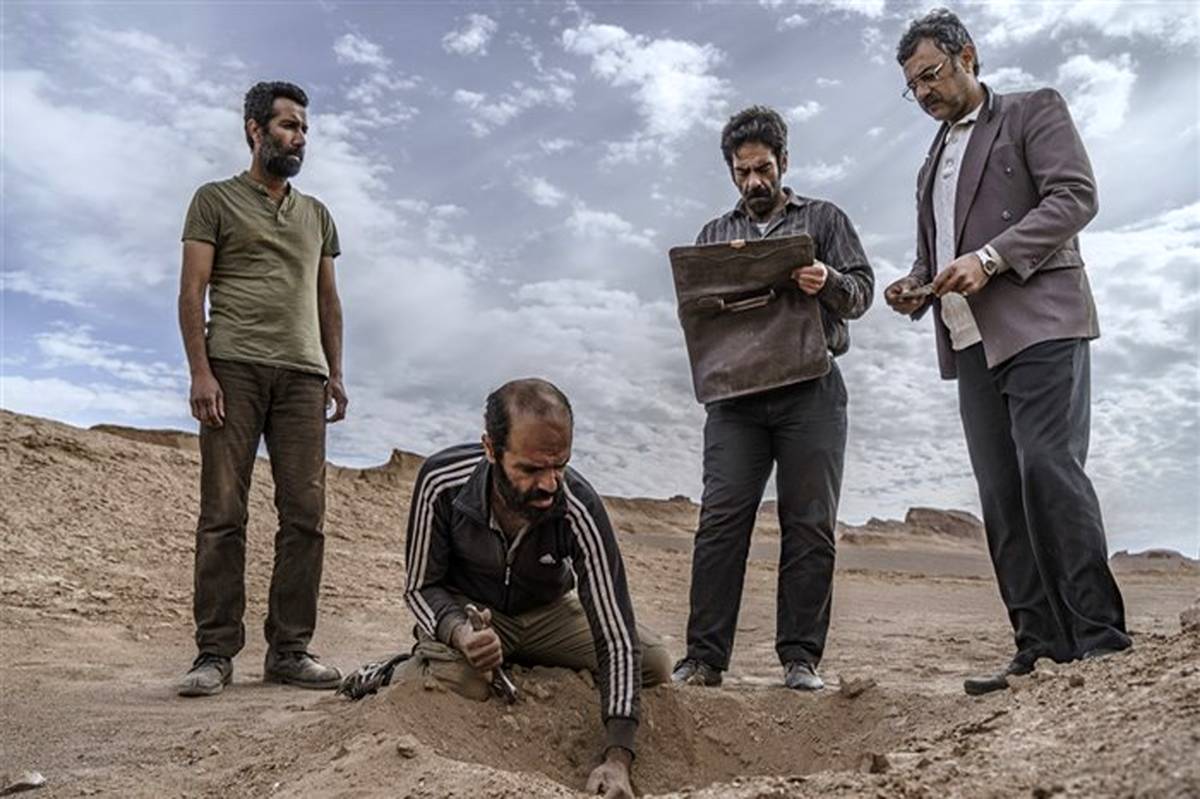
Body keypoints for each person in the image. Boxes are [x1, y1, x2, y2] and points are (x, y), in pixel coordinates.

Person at [885, 9, 1131, 696]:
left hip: (1039, 322)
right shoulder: (930, 161)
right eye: (913, 85)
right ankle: (1039, 645)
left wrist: (991, 258)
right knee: (1000, 493)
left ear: (968, 56)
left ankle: (1100, 639)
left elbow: (1075, 196)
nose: (924, 92)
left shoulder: (1031, 110)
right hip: (969, 339)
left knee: (1048, 468)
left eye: (931, 74)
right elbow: (938, 252)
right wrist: (915, 285)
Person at [672, 106, 874, 691]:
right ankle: (704, 659)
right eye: (743, 172)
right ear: (731, 172)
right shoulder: (713, 236)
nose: (754, 181)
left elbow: (861, 293)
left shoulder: (825, 218)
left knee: (809, 524)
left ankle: (800, 659)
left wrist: (828, 281)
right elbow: (696, 314)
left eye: (763, 169)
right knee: (720, 522)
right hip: (734, 399)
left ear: (784, 162)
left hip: (811, 389)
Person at [400, 378, 670, 799]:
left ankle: (515, 657)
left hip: (547, 614)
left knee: (654, 661)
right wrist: (460, 632)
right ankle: (391, 671)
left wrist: (618, 756)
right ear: (491, 449)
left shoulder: (578, 505)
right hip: (474, 614)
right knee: (465, 681)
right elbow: (420, 587)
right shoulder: (442, 482)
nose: (549, 484)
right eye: (530, 469)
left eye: (559, 465)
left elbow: (615, 630)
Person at [176, 81, 348, 697]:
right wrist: (201, 371)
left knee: (305, 517)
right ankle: (214, 653)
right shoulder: (214, 200)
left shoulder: (317, 215)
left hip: (303, 377)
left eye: (303, 129)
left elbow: (328, 300)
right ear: (255, 129)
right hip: (234, 369)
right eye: (287, 126)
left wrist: (335, 370)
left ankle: (290, 651)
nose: (299, 138)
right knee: (223, 514)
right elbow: (192, 290)